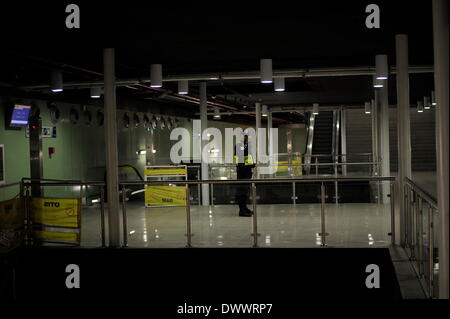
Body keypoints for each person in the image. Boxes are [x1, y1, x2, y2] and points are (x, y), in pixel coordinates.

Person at [234, 133, 255, 217]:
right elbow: (240, 159)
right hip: (242, 172)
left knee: (245, 192)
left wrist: (252, 163)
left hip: (246, 171)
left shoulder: (245, 145)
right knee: (241, 192)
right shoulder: (240, 146)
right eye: (247, 137)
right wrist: (250, 164)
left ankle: (244, 208)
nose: (249, 138)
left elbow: (247, 157)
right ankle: (242, 210)